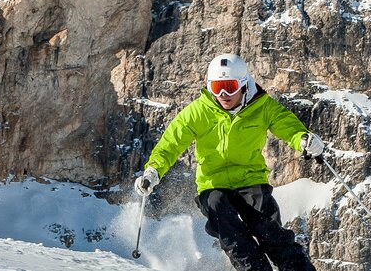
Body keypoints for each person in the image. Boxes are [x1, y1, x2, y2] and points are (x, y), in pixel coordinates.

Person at [135, 54, 323, 271]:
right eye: (217, 87)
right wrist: (153, 171)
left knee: (268, 229)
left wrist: (303, 139)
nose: (223, 95)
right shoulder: (198, 112)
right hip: (213, 184)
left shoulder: (262, 107)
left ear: (243, 84)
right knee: (223, 218)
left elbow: (286, 124)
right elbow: (171, 143)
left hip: (250, 180)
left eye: (229, 87)